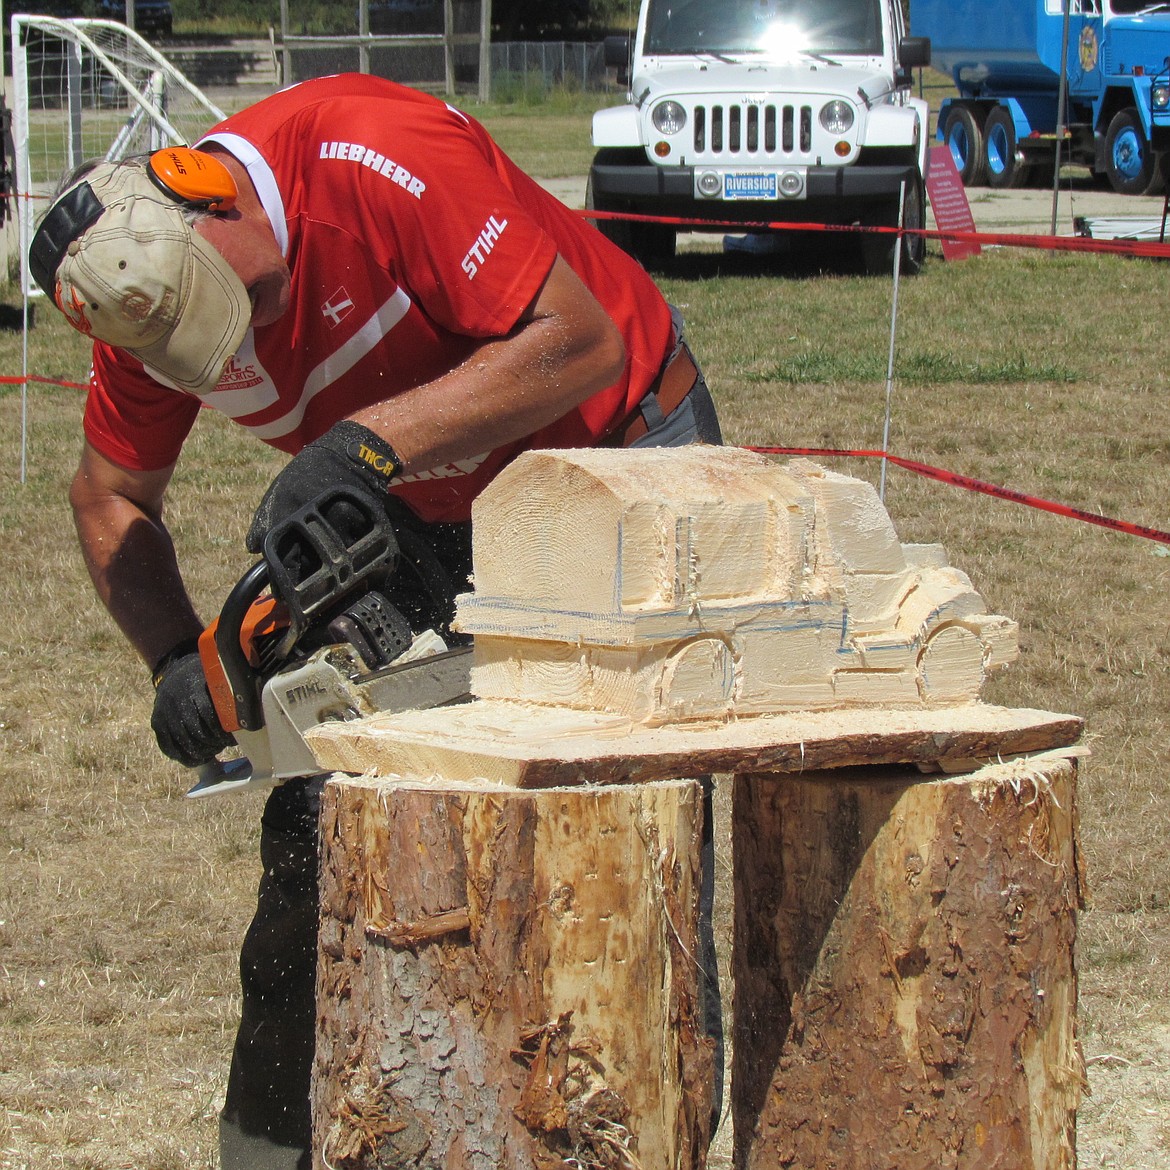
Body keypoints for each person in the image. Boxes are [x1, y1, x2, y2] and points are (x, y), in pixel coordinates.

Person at [30, 73, 723, 1170]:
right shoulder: (145, 290)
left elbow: (577, 342)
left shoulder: (372, 152)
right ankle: (275, 1147)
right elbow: (108, 496)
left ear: (216, 198)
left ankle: (651, 1133)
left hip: (615, 448)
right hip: (422, 507)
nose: (246, 345)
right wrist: (176, 656)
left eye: (247, 307)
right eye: (211, 350)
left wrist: (362, 445)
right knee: (323, 827)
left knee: (623, 829)